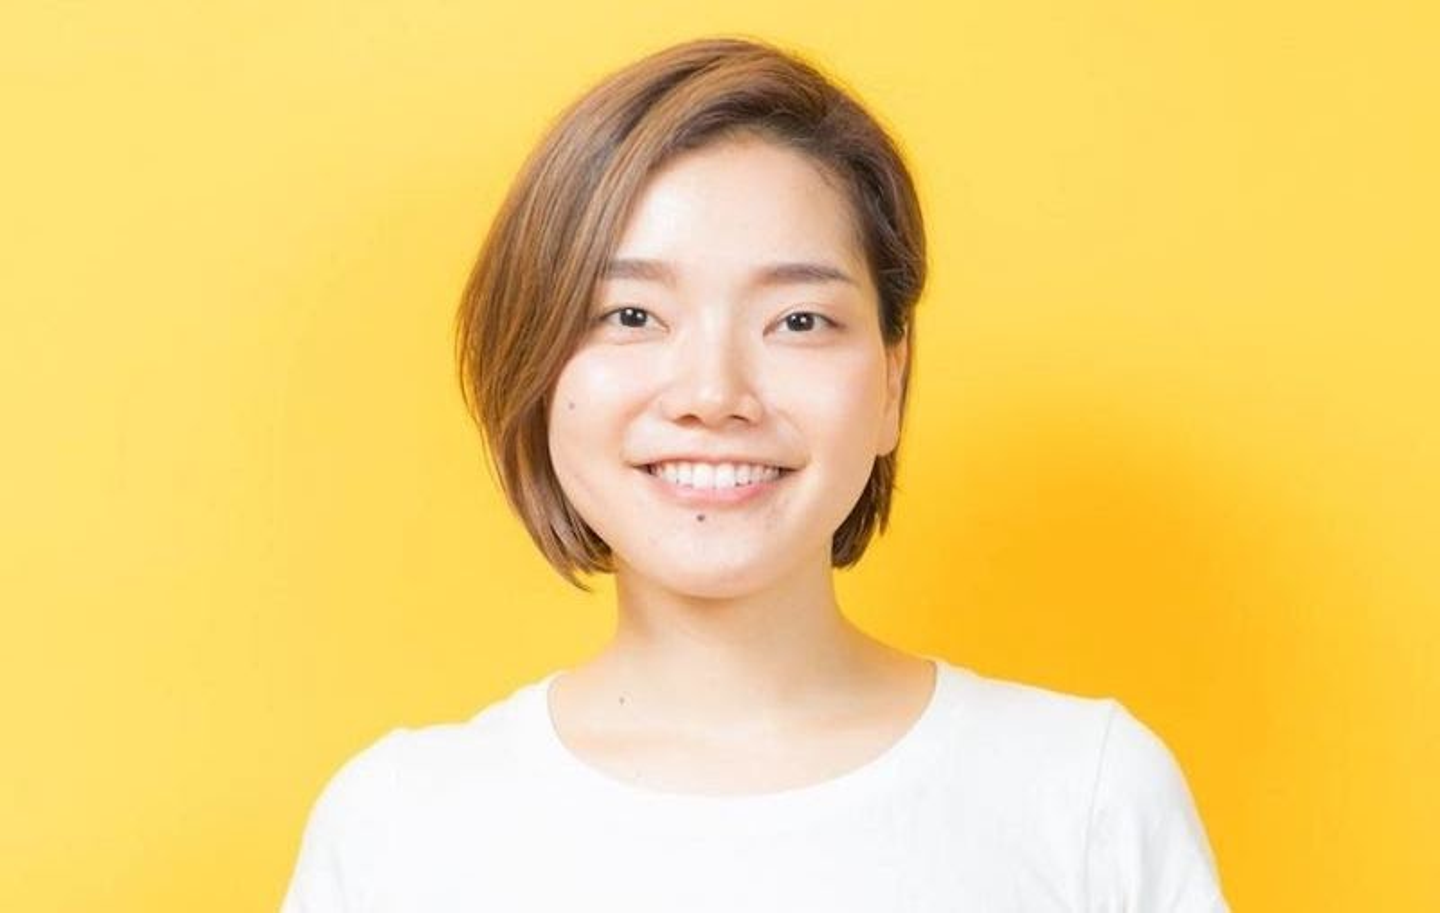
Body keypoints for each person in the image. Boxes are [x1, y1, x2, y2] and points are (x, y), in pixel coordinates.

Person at [280, 36, 1230, 911]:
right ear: (534, 362)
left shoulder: (1087, 797)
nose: (713, 393)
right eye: (631, 316)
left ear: (892, 381)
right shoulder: (401, 830)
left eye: (798, 321)